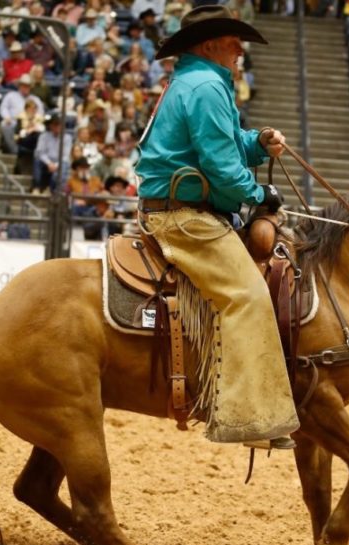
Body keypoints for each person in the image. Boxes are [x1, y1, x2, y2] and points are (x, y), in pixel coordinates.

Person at [133, 6, 299, 448]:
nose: (241, 50)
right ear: (209, 45)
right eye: (233, 41)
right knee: (246, 295)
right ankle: (247, 421)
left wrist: (257, 143)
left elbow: (227, 145)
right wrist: (261, 195)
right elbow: (223, 170)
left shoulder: (197, 82)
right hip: (184, 217)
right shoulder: (207, 86)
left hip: (175, 207)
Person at [33, 113, 73, 193]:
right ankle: (36, 187)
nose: (57, 127)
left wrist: (56, 165)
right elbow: (39, 152)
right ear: (50, 126)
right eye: (55, 124)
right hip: (46, 161)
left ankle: (54, 189)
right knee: (37, 160)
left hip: (60, 162)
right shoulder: (44, 136)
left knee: (65, 164)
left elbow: (65, 155)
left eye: (59, 125)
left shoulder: (67, 138)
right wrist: (49, 163)